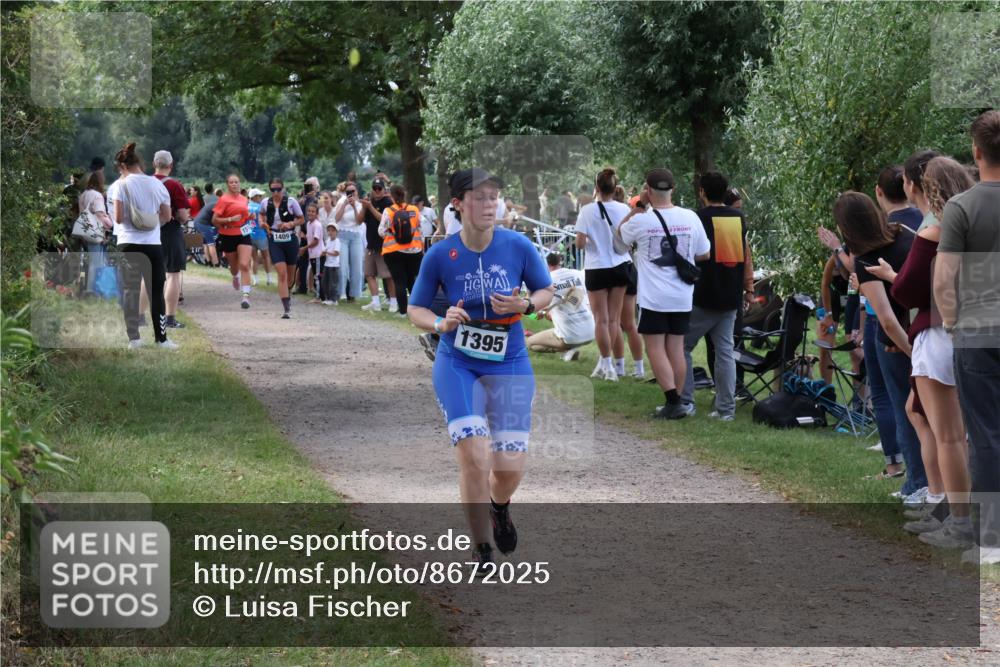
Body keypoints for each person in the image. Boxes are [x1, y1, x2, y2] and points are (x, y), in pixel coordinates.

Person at [408, 168, 554, 568]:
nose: (490, 205)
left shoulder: (518, 246)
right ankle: (481, 546)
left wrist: (527, 305)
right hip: (458, 362)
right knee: (475, 453)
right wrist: (439, 324)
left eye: (494, 197)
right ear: (457, 203)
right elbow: (415, 308)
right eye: (480, 197)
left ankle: (499, 506)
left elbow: (545, 290)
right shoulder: (440, 254)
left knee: (509, 466)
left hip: (510, 360)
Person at [870, 157, 974, 546]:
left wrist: (893, 279)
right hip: (977, 330)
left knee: (947, 435)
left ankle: (957, 519)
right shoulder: (979, 224)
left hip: (939, 331)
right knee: (967, 433)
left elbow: (909, 290)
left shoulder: (935, 232)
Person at [934, 110, 1000, 565]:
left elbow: (944, 280)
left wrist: (954, 323)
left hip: (978, 330)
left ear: (976, 153)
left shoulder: (962, 208)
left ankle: (993, 539)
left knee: (986, 435)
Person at [835, 191, 927, 503]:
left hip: (900, 343)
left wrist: (913, 353)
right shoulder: (904, 234)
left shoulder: (864, 259)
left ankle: (917, 484)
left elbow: (886, 318)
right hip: (928, 326)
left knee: (909, 411)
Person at [617, 168, 710, 419]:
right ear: (673, 189)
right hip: (682, 295)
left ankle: (672, 401)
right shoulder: (690, 217)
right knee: (676, 349)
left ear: (647, 190)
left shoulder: (641, 220)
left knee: (655, 349)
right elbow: (704, 253)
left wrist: (636, 209)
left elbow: (618, 241)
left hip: (654, 298)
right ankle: (677, 402)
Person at [680, 171, 754, 421]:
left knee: (682, 346)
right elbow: (739, 256)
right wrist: (747, 287)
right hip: (730, 294)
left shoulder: (696, 218)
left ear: (702, 192)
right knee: (725, 352)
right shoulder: (737, 218)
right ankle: (726, 409)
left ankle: (686, 401)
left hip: (703, 294)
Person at [110, 142, 176, 349]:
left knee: (130, 291)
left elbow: (119, 218)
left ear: (123, 166)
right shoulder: (158, 185)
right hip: (152, 244)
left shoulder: (121, 185)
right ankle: (162, 339)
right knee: (156, 291)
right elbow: (167, 216)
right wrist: (150, 218)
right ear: (140, 163)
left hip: (127, 243)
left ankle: (134, 339)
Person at [574, 168, 636, 380]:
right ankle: (609, 364)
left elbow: (580, 243)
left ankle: (606, 364)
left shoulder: (587, 211)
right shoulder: (623, 209)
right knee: (614, 319)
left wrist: (594, 242)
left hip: (596, 267)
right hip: (620, 266)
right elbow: (628, 238)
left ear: (597, 188)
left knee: (600, 319)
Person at [524, 252, 594, 359]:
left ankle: (567, 350)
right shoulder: (577, 274)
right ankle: (569, 347)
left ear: (545, 264)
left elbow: (534, 311)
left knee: (530, 343)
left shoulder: (545, 282)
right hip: (591, 331)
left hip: (571, 336)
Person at [151, 151, 190, 329]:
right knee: (173, 274)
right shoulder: (174, 185)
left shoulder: (145, 183)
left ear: (154, 164)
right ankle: (170, 318)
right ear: (171, 165)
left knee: (148, 274)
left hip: (148, 232)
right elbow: (182, 215)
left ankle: (141, 316)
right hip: (170, 231)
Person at [378, 184, 423, 316]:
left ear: (391, 196)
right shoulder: (414, 210)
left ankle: (403, 311)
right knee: (412, 281)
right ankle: (417, 310)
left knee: (399, 282)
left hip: (394, 252)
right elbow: (420, 228)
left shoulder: (389, 211)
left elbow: (381, 231)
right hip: (414, 251)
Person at [264, 177, 305, 319]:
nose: (276, 192)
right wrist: (264, 225)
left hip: (290, 239)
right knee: (281, 274)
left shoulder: (291, 202)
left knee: (290, 276)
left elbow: (301, 219)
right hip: (275, 239)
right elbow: (261, 216)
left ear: (283, 188)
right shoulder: (265, 202)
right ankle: (286, 308)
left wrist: (290, 224)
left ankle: (287, 292)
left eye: (278, 189)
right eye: (273, 189)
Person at [212, 174, 254, 310]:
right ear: (227, 184)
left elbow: (245, 216)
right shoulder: (223, 200)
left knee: (244, 264)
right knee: (234, 266)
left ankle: (246, 296)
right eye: (232, 182)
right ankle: (235, 276)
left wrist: (250, 217)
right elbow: (214, 220)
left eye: (236, 182)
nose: (235, 184)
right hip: (228, 234)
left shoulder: (244, 199)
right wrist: (230, 219)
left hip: (243, 233)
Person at [360, 179, 397, 312]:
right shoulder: (370, 202)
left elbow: (385, 220)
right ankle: (375, 302)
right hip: (371, 244)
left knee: (387, 275)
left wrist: (370, 207)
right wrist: (363, 207)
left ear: (383, 189)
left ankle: (394, 302)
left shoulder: (388, 203)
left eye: (379, 188)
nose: (376, 191)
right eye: (374, 188)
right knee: (369, 274)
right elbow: (359, 221)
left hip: (384, 244)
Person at [78, 171, 113, 297]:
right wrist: (108, 224)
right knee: (97, 262)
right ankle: (93, 291)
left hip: (85, 231)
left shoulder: (83, 195)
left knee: (92, 261)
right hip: (96, 232)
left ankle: (90, 289)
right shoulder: (97, 196)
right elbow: (99, 215)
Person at [334, 181, 366, 303]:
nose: (351, 194)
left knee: (357, 267)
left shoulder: (360, 204)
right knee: (342, 266)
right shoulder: (341, 201)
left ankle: (354, 294)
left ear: (357, 192)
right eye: (349, 192)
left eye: (353, 191)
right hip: (342, 235)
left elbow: (359, 221)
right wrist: (344, 205)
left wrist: (353, 206)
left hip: (356, 235)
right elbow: (336, 219)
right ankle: (341, 292)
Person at [246, 188, 272, 286]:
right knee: (266, 257)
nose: (261, 198)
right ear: (255, 197)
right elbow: (264, 221)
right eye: (260, 196)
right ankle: (269, 278)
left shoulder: (247, 207)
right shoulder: (260, 207)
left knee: (254, 259)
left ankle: (255, 279)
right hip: (261, 235)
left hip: (250, 235)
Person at [192, 183, 220, 268]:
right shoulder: (218, 206)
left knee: (206, 243)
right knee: (211, 243)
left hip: (197, 221)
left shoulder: (213, 204)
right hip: (203, 224)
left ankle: (209, 262)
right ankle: (216, 263)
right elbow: (214, 220)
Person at [305, 204, 325, 301]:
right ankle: (319, 296)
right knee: (316, 275)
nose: (310, 213)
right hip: (313, 254)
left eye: (313, 211)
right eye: (309, 211)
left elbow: (316, 241)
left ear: (316, 213)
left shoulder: (317, 225)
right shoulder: (308, 224)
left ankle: (319, 297)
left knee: (318, 276)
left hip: (318, 254)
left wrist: (304, 248)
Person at [321, 223, 341, 306]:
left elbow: (336, 253)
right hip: (327, 264)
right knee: (325, 282)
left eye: (333, 230)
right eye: (329, 230)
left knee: (333, 283)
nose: (330, 232)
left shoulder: (337, 241)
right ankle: (328, 298)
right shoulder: (328, 241)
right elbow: (325, 251)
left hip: (334, 266)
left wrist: (326, 253)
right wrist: (323, 253)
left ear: (336, 232)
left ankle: (334, 299)